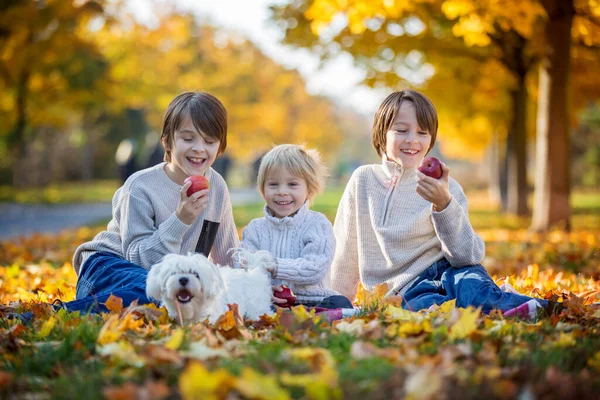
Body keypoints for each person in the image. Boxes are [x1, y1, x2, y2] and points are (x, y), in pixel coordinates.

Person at [330, 89, 558, 316]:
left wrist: (444, 204)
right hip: (406, 289)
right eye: (401, 130)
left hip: (452, 271)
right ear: (381, 134)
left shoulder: (445, 187)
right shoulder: (364, 180)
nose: (412, 139)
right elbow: (345, 248)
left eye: (422, 132)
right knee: (424, 308)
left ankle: (539, 308)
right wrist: (339, 301)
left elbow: (467, 256)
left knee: (473, 290)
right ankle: (500, 307)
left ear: (431, 140)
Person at [64, 91, 240, 314]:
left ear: (220, 147)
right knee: (156, 292)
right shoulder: (140, 186)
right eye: (188, 138)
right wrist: (180, 220)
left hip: (165, 278)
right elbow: (139, 260)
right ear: (167, 141)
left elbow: (228, 260)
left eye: (209, 141)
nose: (199, 148)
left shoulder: (217, 186)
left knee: (173, 297)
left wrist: (260, 288)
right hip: (107, 267)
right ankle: (55, 312)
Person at [241, 144, 353, 309]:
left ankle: (319, 319)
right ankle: (283, 320)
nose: (282, 191)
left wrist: (274, 265)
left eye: (292, 184)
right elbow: (245, 268)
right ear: (263, 188)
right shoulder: (255, 229)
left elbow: (315, 268)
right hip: (272, 301)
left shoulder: (318, 225)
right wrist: (264, 290)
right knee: (251, 305)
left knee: (340, 303)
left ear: (309, 188)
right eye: (273, 185)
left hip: (313, 301)